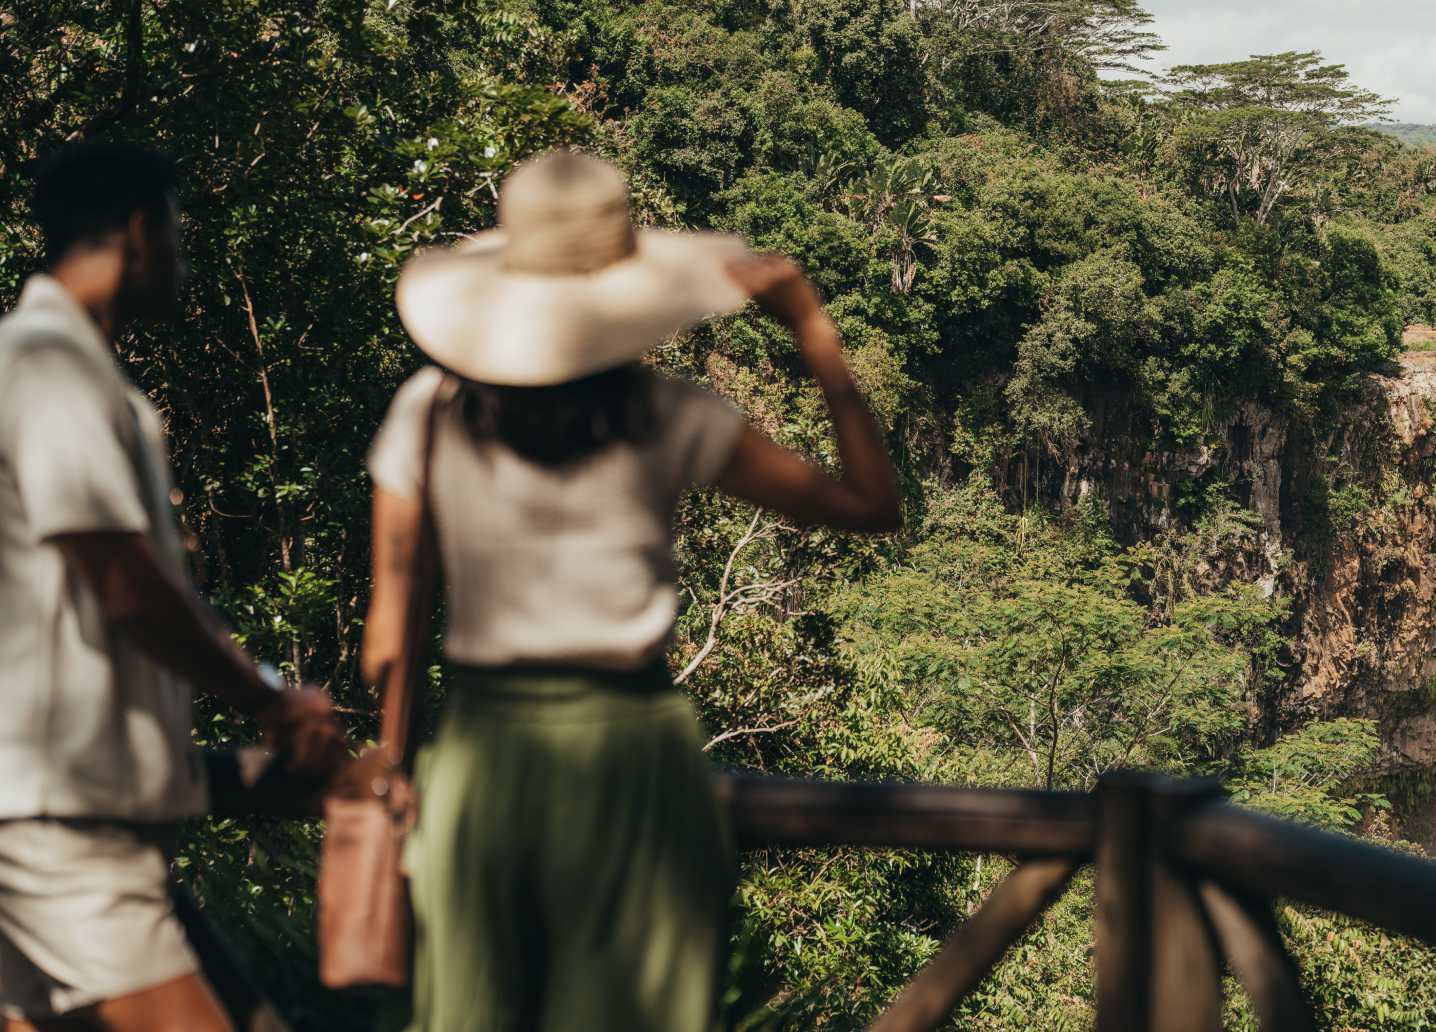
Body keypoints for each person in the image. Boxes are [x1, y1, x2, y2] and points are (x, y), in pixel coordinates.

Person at [360, 150, 901, 1031]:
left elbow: (388, 639)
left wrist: (399, 761)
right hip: (633, 756)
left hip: (482, 759)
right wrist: (813, 332)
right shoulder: (667, 417)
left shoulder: (427, 414)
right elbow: (871, 506)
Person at [0, 142, 346, 1032]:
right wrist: (269, 700)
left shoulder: (71, 370)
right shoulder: (46, 365)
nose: (184, 265)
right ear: (140, 232)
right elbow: (121, 582)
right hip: (61, 827)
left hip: (70, 818)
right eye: (179, 238)